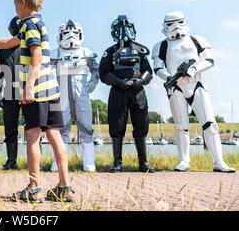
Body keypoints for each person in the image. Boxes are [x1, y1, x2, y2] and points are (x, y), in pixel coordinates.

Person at [0, 0, 74, 203]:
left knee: (32, 137)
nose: (14, 8)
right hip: (51, 89)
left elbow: (36, 54)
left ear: (22, 3)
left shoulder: (28, 25)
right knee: (54, 135)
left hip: (37, 90)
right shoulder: (38, 23)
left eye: (14, 4)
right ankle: (65, 186)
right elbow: (12, 42)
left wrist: (28, 86)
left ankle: (34, 187)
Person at [151, 11, 235, 173]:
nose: (174, 28)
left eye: (177, 23)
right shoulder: (161, 45)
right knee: (181, 126)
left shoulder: (196, 40)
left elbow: (209, 60)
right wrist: (170, 77)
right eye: (170, 24)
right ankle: (184, 161)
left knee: (210, 124)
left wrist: (194, 68)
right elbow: (158, 68)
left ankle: (218, 161)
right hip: (175, 87)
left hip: (196, 83)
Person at [99, 15, 155, 173]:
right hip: (118, 91)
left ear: (134, 30)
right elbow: (104, 73)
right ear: (114, 32)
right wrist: (118, 81)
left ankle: (143, 163)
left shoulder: (140, 51)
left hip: (138, 91)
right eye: (119, 28)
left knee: (141, 126)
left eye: (128, 27)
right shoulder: (110, 52)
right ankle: (117, 163)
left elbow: (148, 72)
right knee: (116, 127)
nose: (124, 31)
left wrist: (141, 81)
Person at [50, 19, 100, 172]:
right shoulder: (55, 53)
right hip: (61, 94)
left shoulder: (86, 53)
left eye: (73, 33)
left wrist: (93, 81)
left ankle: (88, 161)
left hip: (82, 93)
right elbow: (45, 70)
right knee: (61, 129)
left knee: (86, 128)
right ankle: (58, 162)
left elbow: (97, 69)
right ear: (60, 35)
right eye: (66, 33)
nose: (70, 36)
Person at [0, 16, 22, 170]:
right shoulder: (4, 49)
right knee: (10, 127)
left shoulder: (30, 46)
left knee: (32, 127)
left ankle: (34, 162)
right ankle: (11, 161)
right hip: (9, 91)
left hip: (27, 91)